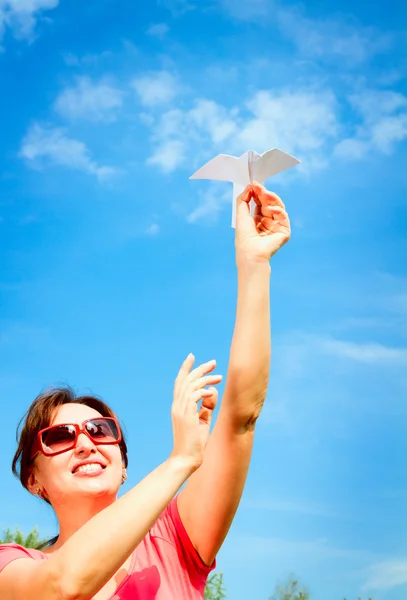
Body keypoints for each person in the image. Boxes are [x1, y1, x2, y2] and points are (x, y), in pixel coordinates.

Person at [0, 182, 291, 600]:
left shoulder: (176, 542)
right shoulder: (12, 566)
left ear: (123, 467)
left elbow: (241, 415)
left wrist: (254, 262)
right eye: (59, 437)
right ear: (32, 479)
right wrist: (181, 461)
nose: (85, 442)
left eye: (101, 430)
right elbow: (62, 587)